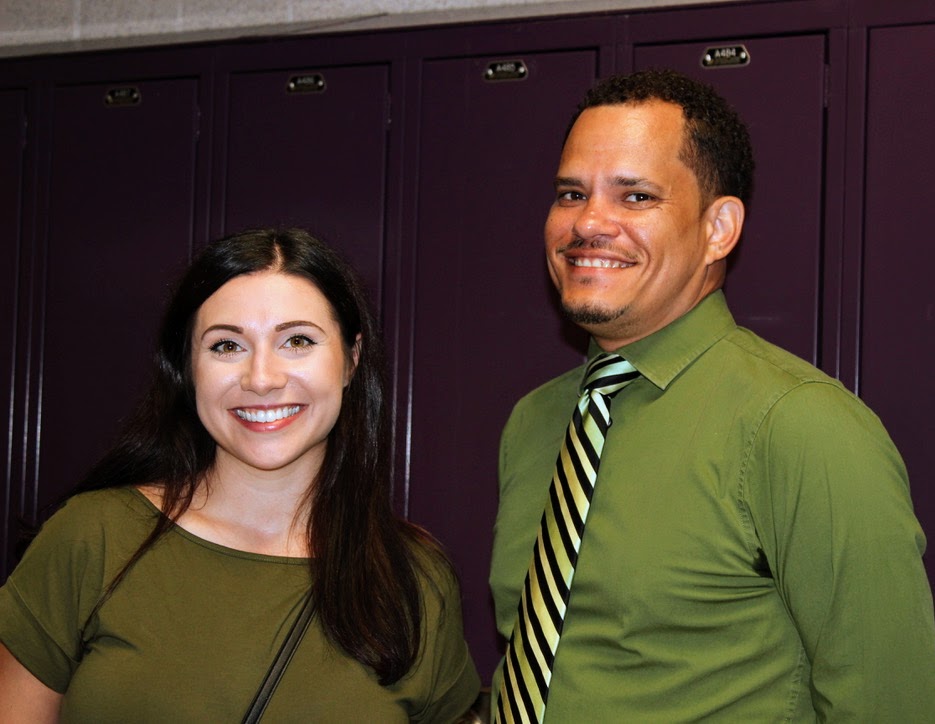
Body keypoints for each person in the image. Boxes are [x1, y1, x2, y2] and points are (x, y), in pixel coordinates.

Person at [489, 69, 935, 721]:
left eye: (635, 196)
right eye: (570, 193)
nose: (588, 223)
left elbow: (889, 702)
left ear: (717, 228)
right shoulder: (534, 423)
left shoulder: (802, 425)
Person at [0, 228, 480, 722]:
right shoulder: (92, 538)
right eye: (227, 346)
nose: (262, 378)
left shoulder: (414, 578)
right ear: (188, 368)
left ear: (351, 360)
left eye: (297, 341)